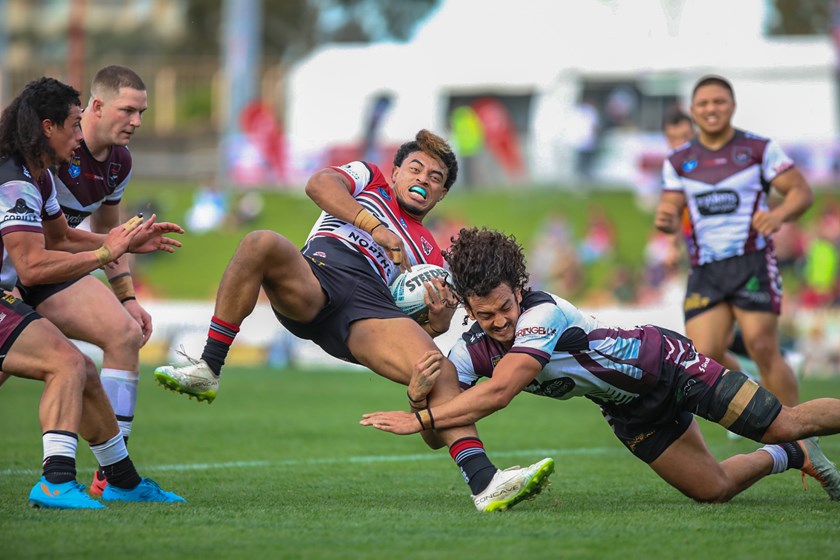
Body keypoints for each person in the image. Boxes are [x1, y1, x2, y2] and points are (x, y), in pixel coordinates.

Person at [154, 130, 554, 512]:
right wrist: (374, 227)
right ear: (396, 172)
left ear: (442, 194)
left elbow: (423, 327)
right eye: (415, 169)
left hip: (368, 311)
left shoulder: (432, 253)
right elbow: (317, 185)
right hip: (315, 277)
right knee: (260, 242)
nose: (423, 180)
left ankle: (485, 483)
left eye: (436, 178)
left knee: (439, 369)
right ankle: (209, 366)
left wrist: (437, 321)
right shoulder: (369, 178)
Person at [361, 227, 840, 504]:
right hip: (627, 410)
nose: (499, 321)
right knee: (712, 490)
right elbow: (443, 429)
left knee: (783, 422)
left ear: (519, 289)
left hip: (669, 365)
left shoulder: (541, 314)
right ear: (466, 304)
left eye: (505, 306)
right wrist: (418, 398)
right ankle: (794, 456)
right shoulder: (468, 349)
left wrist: (418, 418)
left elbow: (500, 393)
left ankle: (790, 440)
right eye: (484, 314)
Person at [0, 77, 185, 508]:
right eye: (74, 124)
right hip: (17, 283)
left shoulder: (40, 175)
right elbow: (32, 263)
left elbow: (61, 237)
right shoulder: (15, 179)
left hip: (13, 287)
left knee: (81, 362)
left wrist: (124, 242)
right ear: (49, 127)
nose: (79, 135)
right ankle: (56, 483)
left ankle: (118, 478)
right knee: (67, 363)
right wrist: (105, 251)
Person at [654, 75, 813, 407]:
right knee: (705, 356)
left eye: (719, 101)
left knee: (761, 345)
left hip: (751, 262)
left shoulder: (758, 149)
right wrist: (666, 218)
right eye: (703, 103)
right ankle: (759, 408)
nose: (711, 109)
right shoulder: (679, 161)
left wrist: (778, 215)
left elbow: (801, 192)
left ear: (732, 106)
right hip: (705, 270)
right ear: (693, 111)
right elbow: (671, 203)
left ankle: (799, 438)